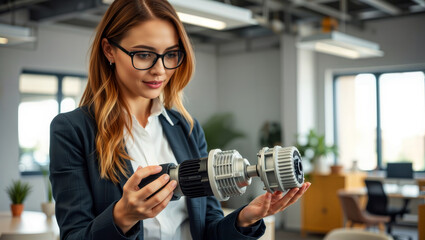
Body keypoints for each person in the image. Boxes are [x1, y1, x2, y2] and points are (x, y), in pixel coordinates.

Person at [49, 0, 311, 239]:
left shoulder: (187, 129)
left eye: (171, 54)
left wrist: (245, 218)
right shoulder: (73, 130)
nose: (160, 70)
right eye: (143, 54)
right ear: (109, 50)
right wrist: (122, 216)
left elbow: (208, 229)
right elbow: (74, 235)